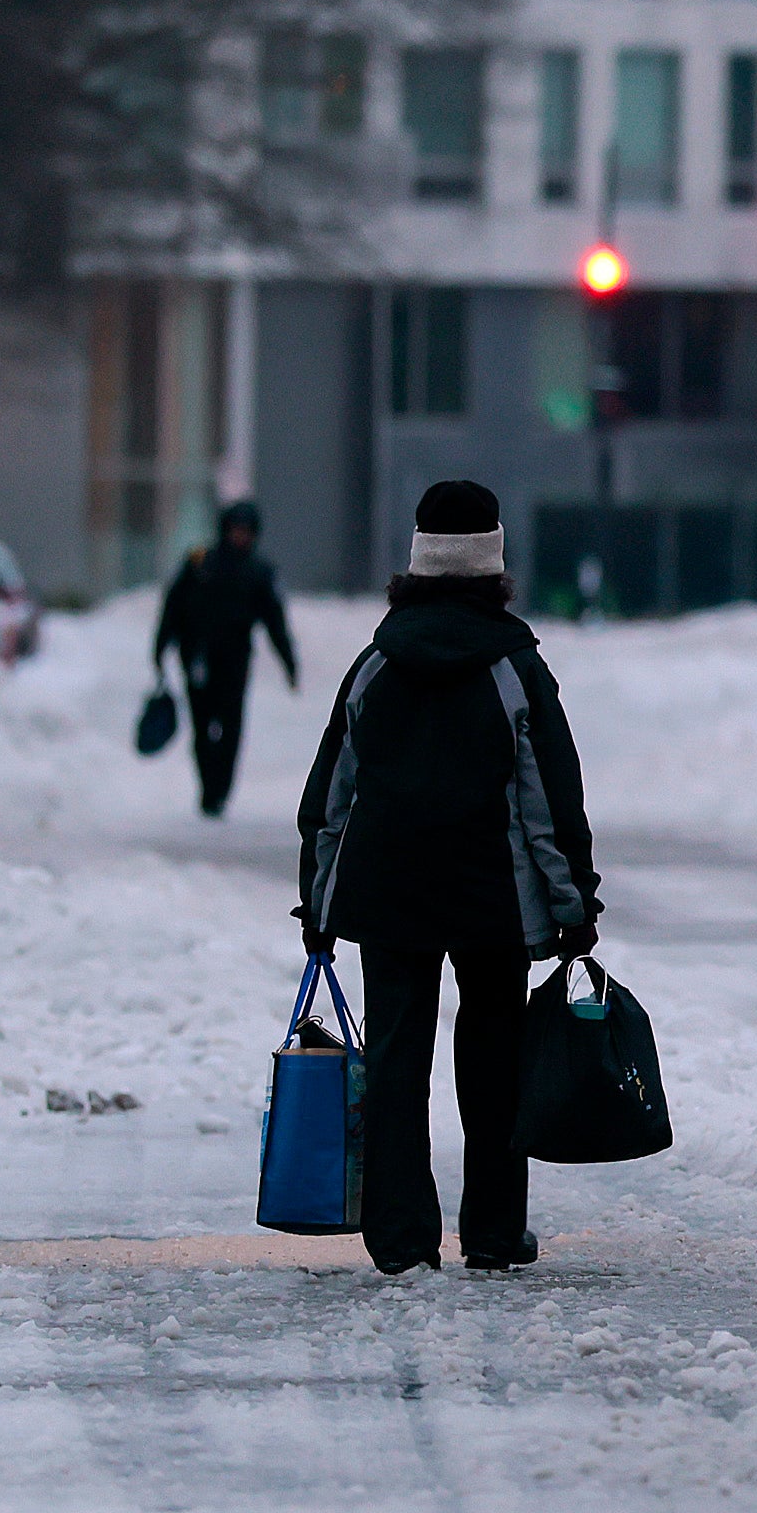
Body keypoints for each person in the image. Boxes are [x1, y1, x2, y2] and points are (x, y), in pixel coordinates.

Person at [294, 480, 601, 1275]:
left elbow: (332, 794)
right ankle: (494, 1233)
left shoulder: (377, 664)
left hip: (388, 895)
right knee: (494, 1058)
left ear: (417, 562)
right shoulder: (514, 668)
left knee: (397, 1060)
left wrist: (319, 902)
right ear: (494, 561)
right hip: (489, 897)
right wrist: (573, 905)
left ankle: (400, 1238)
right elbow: (551, 797)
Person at [154, 500, 298, 816]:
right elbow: (173, 606)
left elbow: (275, 621)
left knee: (230, 727)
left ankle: (220, 791)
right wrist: (161, 647)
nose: (241, 537)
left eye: (246, 531)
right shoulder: (199, 562)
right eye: (237, 530)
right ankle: (208, 789)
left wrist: (289, 662)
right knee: (203, 726)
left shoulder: (259, 571)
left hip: (235, 661)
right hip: (198, 657)